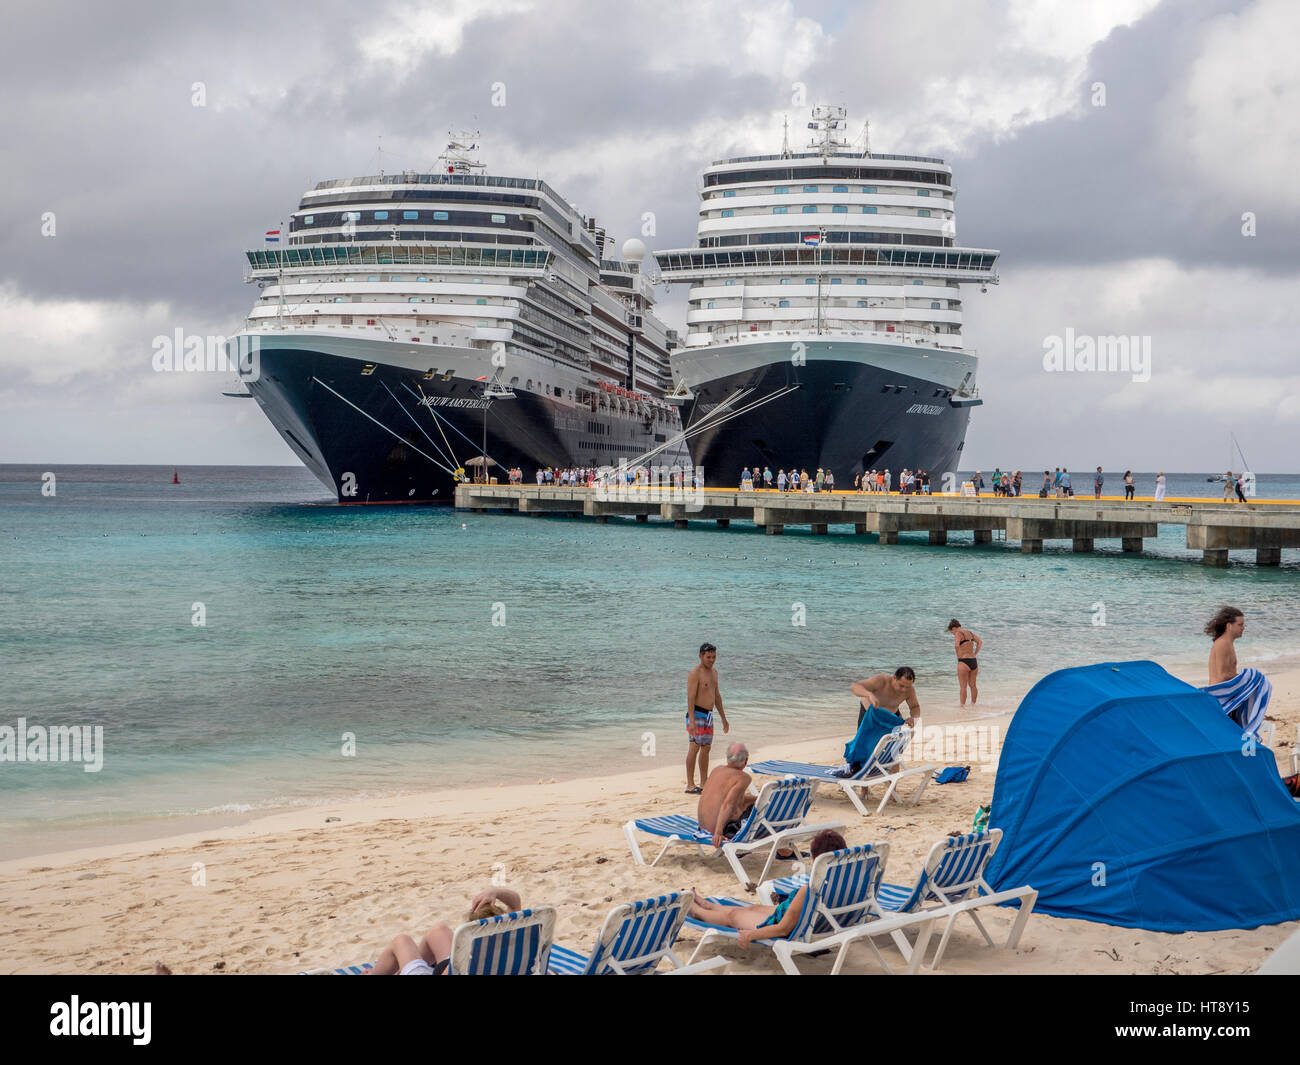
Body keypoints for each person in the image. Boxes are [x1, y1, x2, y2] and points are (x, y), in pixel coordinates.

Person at [687, 829, 848, 945]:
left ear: (815, 859)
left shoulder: (810, 890)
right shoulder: (845, 882)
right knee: (752, 908)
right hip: (813, 917)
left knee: (734, 916)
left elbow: (783, 929)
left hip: (791, 925)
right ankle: (708, 905)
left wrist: (750, 935)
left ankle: (697, 910)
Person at [368, 886, 521, 975]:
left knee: (402, 941)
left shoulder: (470, 960)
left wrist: (494, 892)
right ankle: (405, 967)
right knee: (439, 930)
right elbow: (515, 902)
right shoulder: (517, 939)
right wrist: (494, 892)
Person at [1201, 606, 1272, 738]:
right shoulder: (1222, 643)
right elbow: (1223, 676)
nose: (1243, 628)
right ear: (1229, 626)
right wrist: (1249, 678)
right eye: (1240, 625)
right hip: (1222, 699)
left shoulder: (1228, 643)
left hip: (1229, 698)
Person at [686, 642, 729, 793]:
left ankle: (704, 783)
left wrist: (723, 718)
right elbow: (690, 698)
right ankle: (690, 785)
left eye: (714, 657)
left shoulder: (714, 673)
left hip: (709, 715)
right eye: (708, 657)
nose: (711, 660)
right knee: (694, 747)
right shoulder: (695, 673)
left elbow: (717, 697)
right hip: (696, 714)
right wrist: (691, 721)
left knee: (707, 748)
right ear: (700, 656)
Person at [849, 667, 920, 728]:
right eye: (901, 686)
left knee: (895, 741)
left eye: (907, 687)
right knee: (863, 742)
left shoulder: (910, 690)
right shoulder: (881, 681)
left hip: (891, 715)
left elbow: (915, 706)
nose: (904, 690)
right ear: (894, 678)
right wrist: (869, 694)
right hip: (869, 714)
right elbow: (854, 687)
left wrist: (913, 718)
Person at [947, 619, 982, 707]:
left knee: (963, 687)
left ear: (954, 628)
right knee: (973, 685)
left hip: (964, 661)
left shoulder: (958, 633)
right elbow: (980, 642)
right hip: (973, 661)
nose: (953, 634)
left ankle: (962, 707)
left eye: (952, 632)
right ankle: (973, 705)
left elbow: (956, 645)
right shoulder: (970, 633)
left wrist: (959, 656)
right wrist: (975, 653)